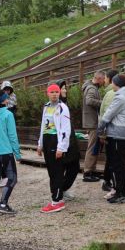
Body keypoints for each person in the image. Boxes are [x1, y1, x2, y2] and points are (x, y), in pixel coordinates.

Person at [37, 84, 78, 213]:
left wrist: (61, 147)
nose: (54, 94)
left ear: (59, 93)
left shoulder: (62, 108)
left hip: (56, 141)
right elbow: (43, 126)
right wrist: (40, 144)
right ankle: (55, 196)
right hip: (47, 140)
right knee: (51, 171)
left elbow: (66, 129)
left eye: (56, 92)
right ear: (47, 93)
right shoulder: (46, 107)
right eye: (52, 92)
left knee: (57, 171)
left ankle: (57, 200)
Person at [98, 74, 125, 204]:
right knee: (119, 164)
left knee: (117, 165)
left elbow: (108, 114)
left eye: (112, 83)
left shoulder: (120, 98)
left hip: (117, 133)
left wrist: (100, 128)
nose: (111, 85)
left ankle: (121, 193)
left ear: (116, 84)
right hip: (123, 133)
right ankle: (120, 192)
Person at [0, 89, 21, 215]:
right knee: (12, 178)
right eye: (6, 97)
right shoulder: (8, 114)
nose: (8, 99)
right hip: (5, 152)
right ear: (2, 100)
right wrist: (17, 153)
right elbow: (12, 136)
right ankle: (3, 204)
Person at [82, 71, 105, 182]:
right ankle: (87, 172)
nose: (104, 82)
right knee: (92, 147)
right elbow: (89, 101)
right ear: (99, 78)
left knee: (94, 147)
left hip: (91, 122)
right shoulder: (91, 88)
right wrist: (103, 103)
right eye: (103, 79)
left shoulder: (90, 87)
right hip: (92, 122)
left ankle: (92, 171)